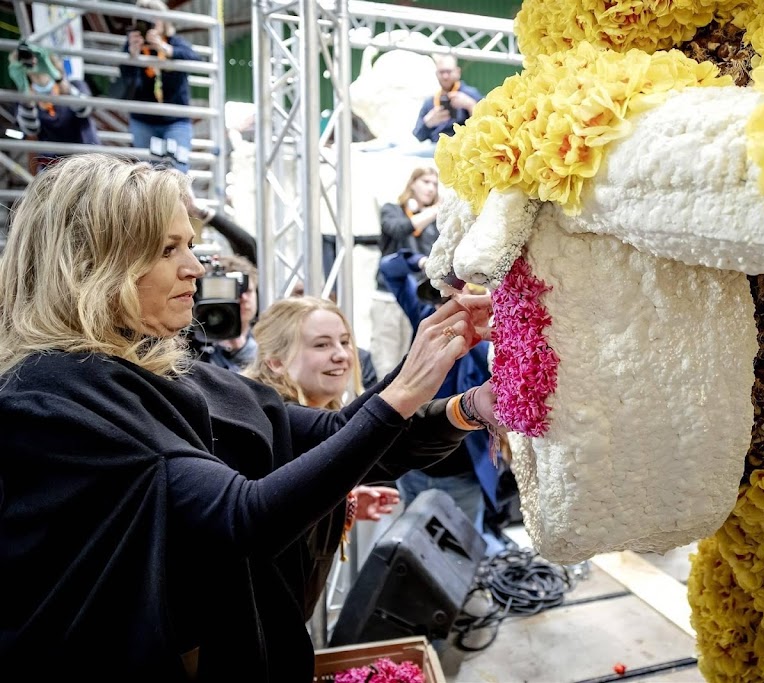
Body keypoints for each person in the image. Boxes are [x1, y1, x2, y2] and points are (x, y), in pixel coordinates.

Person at [0, 153, 498, 680]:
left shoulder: (167, 369)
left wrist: (466, 405)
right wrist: (400, 393)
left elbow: (334, 434)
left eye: (189, 244)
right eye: (168, 249)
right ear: (90, 263)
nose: (194, 267)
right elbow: (244, 520)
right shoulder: (53, 394)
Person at [244, 295, 402, 610]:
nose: (342, 355)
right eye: (322, 345)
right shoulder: (271, 427)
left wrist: (342, 504)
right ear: (276, 362)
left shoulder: (307, 413)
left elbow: (289, 505)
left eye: (345, 342)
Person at [379, 249, 505, 555]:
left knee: (458, 557)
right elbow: (390, 268)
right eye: (444, 293)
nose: (450, 301)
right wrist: (427, 263)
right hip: (412, 469)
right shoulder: (427, 321)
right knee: (412, 552)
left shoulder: (486, 338)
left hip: (460, 474)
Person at [372, 167, 441, 375]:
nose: (431, 188)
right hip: (388, 298)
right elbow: (399, 228)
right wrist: (435, 210)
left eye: (434, 184)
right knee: (386, 361)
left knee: (411, 364)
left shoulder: (435, 221)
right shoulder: (392, 209)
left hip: (419, 299)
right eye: (425, 182)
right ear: (412, 183)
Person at [119, 0, 200, 172]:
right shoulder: (132, 46)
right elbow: (127, 82)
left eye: (154, 19)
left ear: (164, 21)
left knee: (178, 169)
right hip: (143, 119)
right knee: (148, 173)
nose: (150, 24)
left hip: (176, 120)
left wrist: (165, 48)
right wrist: (132, 57)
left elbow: (195, 59)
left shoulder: (174, 42)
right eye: (144, 20)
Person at [7, 42, 98, 167]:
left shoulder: (76, 85)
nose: (34, 63)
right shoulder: (24, 100)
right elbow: (30, 129)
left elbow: (85, 109)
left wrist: (57, 77)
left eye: (37, 58)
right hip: (52, 166)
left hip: (86, 160)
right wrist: (25, 93)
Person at [193, 253, 260, 372]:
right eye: (235, 292)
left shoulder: (269, 342)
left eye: (248, 291)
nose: (243, 298)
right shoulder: (192, 347)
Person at [412, 54, 482, 144]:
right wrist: (428, 122)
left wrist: (470, 106)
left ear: (458, 72)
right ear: (436, 74)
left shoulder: (471, 94)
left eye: (448, 72)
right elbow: (418, 136)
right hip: (435, 146)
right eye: (441, 72)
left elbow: (485, 125)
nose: (445, 76)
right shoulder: (430, 101)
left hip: (462, 145)